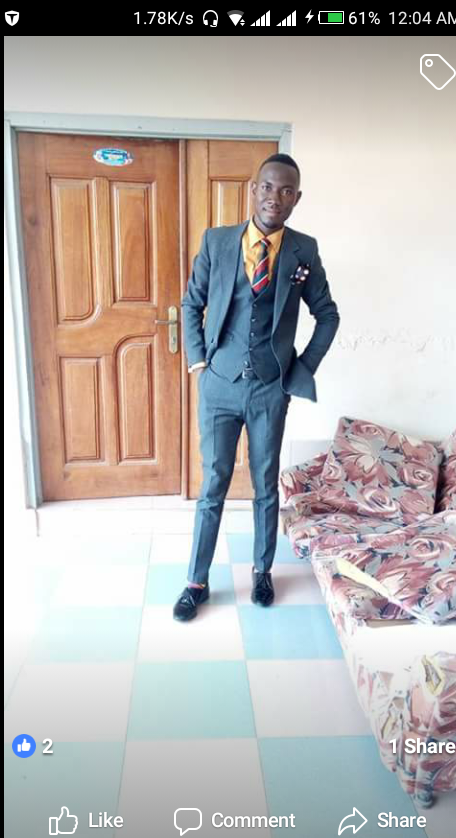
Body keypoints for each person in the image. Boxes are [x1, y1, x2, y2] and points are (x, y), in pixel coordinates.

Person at [174, 153, 340, 620]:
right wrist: (199, 362)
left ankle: (262, 572)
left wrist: (300, 369)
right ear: (254, 190)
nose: (275, 197)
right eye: (268, 187)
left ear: (296, 198)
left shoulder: (303, 250)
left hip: (270, 388)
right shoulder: (217, 241)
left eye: (286, 191)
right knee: (213, 483)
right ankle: (196, 581)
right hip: (219, 385)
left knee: (266, 485)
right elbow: (191, 303)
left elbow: (327, 314)